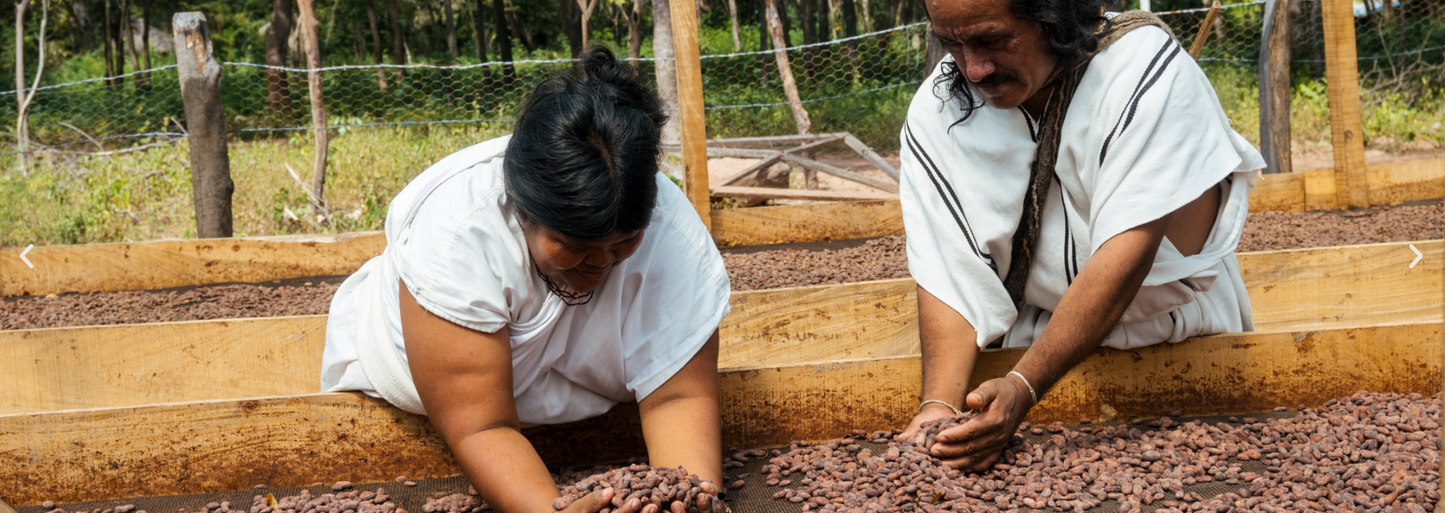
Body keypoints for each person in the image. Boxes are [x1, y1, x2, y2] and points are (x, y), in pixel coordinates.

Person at [320, 47, 731, 513]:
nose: (600, 264)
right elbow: (483, 426)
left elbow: (677, 394)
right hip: (422, 370)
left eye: (622, 243)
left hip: (582, 375)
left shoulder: (671, 232)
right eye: (573, 245)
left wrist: (689, 496)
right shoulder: (459, 232)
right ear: (523, 212)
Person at [897, 0, 1265, 472]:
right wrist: (939, 409)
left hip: (1187, 347)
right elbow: (948, 266)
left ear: (1053, 18)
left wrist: (1024, 387)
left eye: (993, 40)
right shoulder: (941, 107)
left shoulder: (1142, 68)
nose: (974, 68)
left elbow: (1126, 252)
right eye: (952, 44)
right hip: (1027, 343)